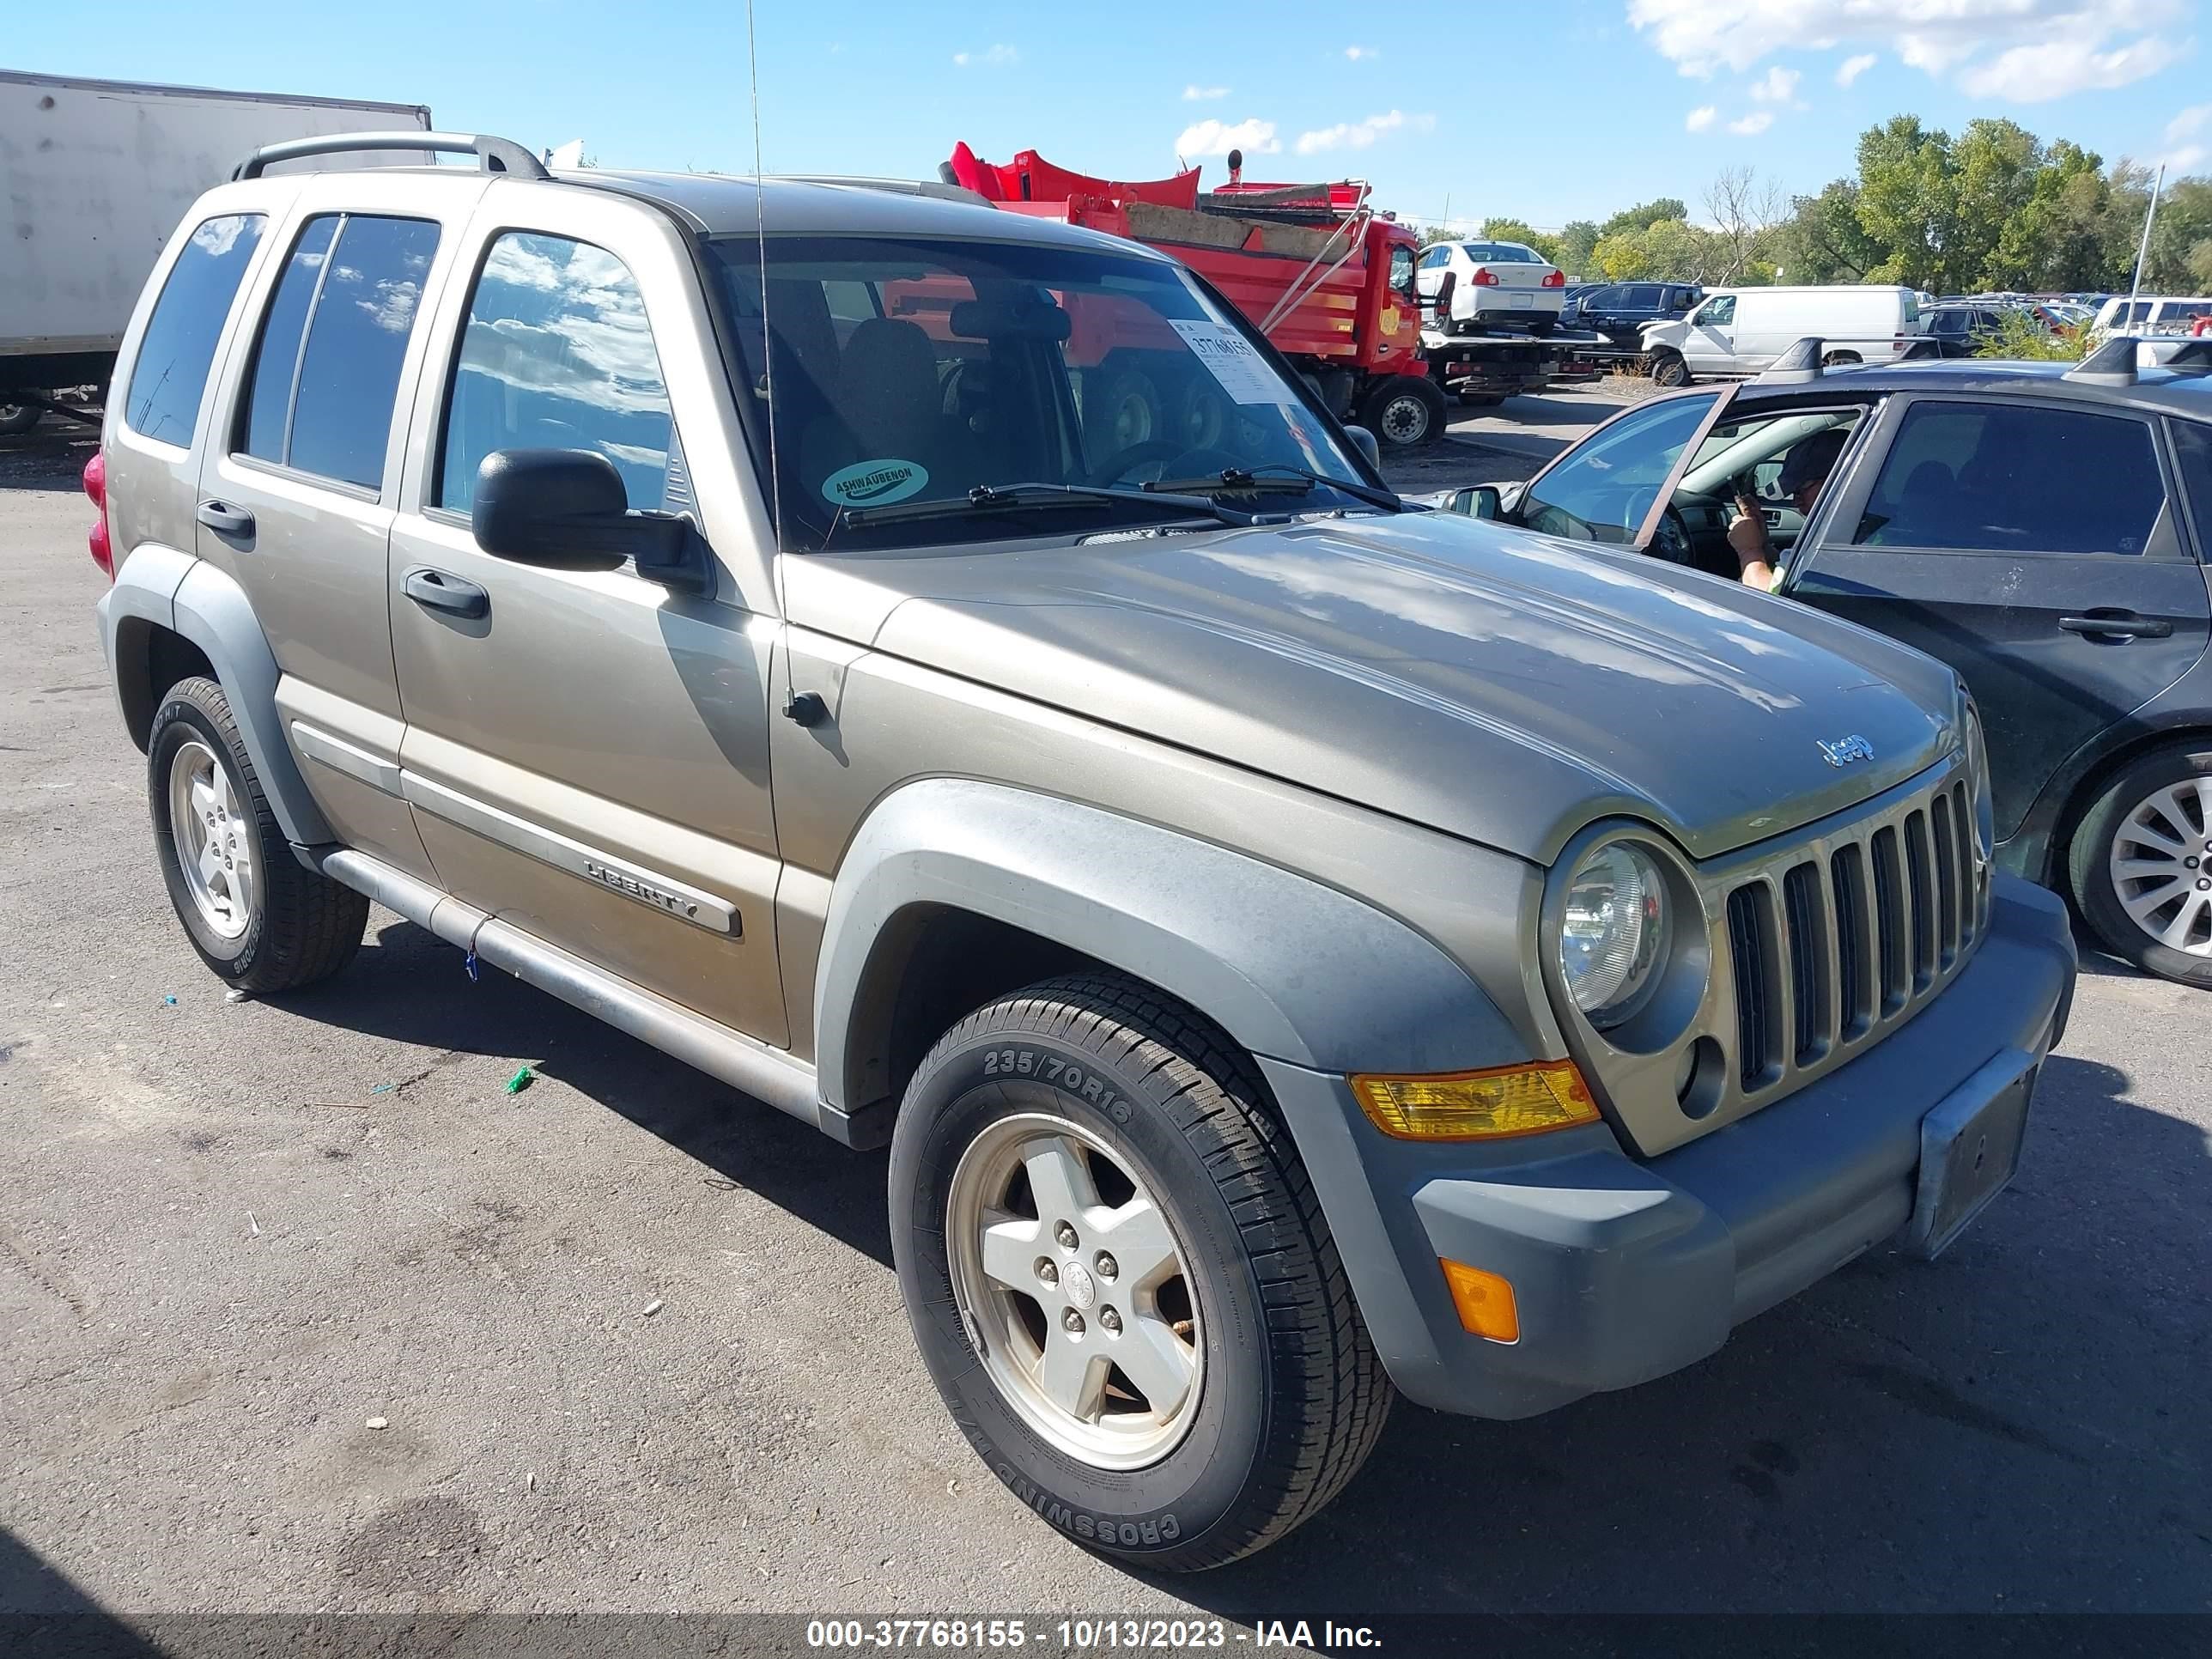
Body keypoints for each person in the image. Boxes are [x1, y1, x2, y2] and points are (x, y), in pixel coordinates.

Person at [1726, 426, 1849, 590]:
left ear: (1836, 482)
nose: (1795, 502)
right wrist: (1761, 543)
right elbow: (1788, 572)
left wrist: (1749, 551)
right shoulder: (1859, 528)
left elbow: (1771, 601)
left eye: (1801, 490)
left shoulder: (1834, 546)